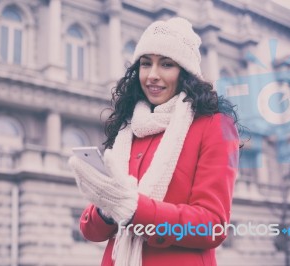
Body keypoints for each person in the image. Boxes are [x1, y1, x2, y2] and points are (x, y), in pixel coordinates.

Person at [69, 17, 240, 266]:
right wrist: (107, 207)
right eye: (145, 64)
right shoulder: (128, 126)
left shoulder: (214, 125)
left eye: (167, 64)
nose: (152, 75)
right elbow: (90, 231)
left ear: (185, 72)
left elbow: (212, 226)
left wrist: (134, 208)